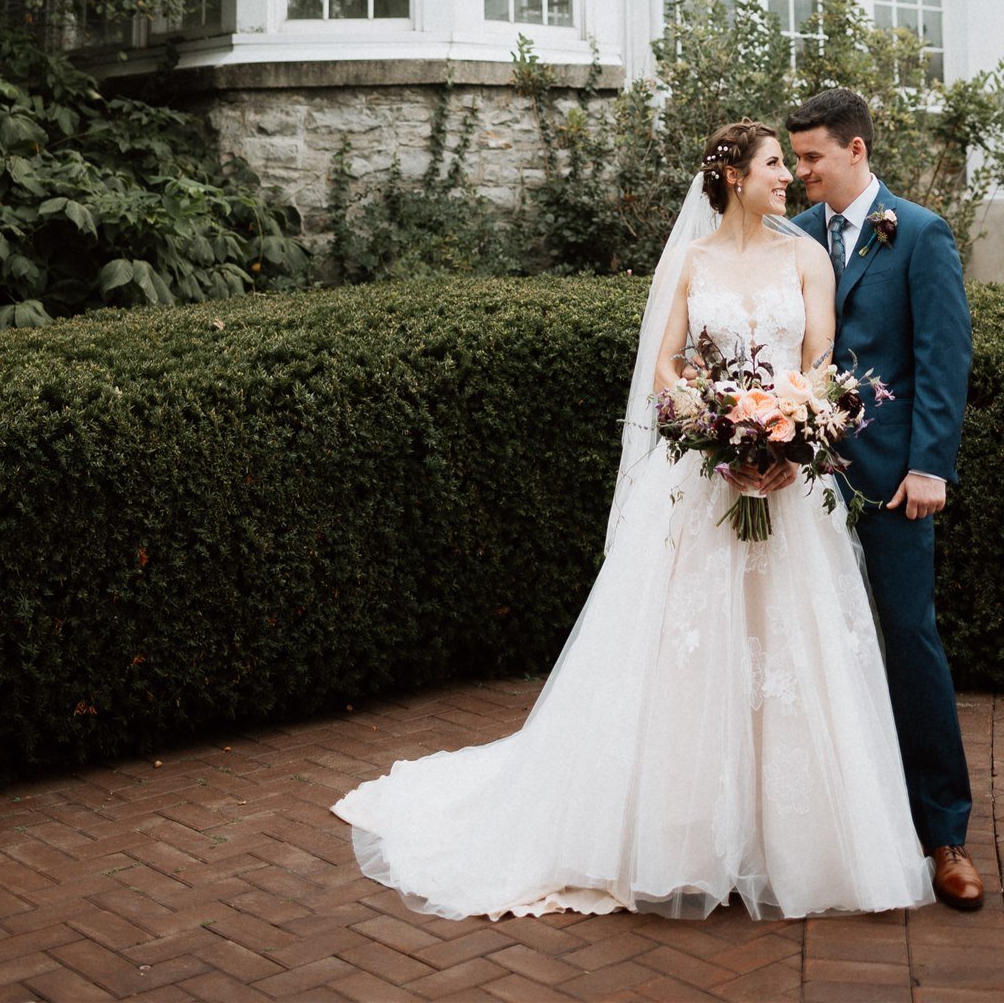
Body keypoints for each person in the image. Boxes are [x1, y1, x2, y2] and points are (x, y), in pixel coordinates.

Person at [331, 119, 934, 921]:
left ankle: (786, 840)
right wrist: (708, 414)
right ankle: (682, 836)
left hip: (788, 481)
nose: (785, 177)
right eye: (770, 166)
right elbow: (665, 360)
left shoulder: (807, 256)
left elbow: (821, 354)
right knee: (688, 656)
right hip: (702, 481)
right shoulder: (691, 261)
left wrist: (791, 424)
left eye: (789, 165)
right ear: (731, 178)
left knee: (792, 651)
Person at [784, 88, 983, 913]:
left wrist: (930, 465)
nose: (800, 174)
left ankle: (944, 834)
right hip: (801, 483)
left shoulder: (921, 233)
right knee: (815, 650)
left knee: (907, 637)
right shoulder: (793, 240)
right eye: (793, 160)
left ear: (855, 152)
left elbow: (944, 357)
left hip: (894, 483)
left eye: (811, 159)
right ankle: (832, 824)